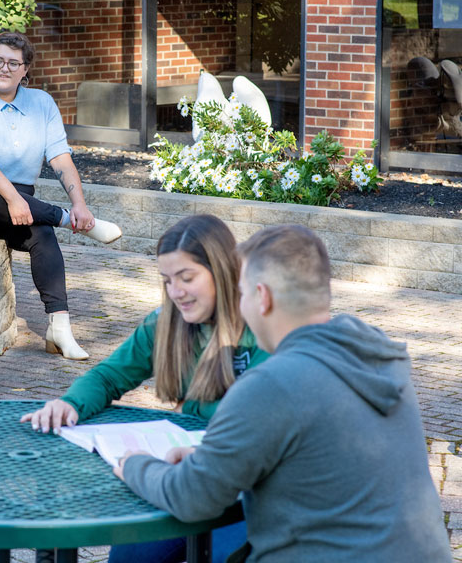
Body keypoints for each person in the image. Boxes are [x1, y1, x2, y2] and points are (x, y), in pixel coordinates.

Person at [116, 224, 451, 562]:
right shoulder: (374, 355)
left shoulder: (270, 385)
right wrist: (211, 459)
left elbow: (191, 497)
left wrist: (134, 465)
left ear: (263, 298)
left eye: (242, 293)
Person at [21, 214, 269, 563]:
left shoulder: (261, 330)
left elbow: (261, 418)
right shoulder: (164, 323)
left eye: (187, 278)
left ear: (222, 270)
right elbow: (109, 376)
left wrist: (193, 411)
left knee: (224, 556)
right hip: (186, 474)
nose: (176, 292)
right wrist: (71, 403)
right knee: (129, 556)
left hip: (247, 487)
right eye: (167, 281)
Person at [0, 31, 122, 361]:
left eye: (13, 63)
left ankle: (59, 327)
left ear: (25, 69)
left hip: (21, 204)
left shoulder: (41, 103)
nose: (4, 68)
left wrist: (80, 203)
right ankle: (67, 220)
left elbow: (60, 158)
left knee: (41, 231)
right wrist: (18, 200)